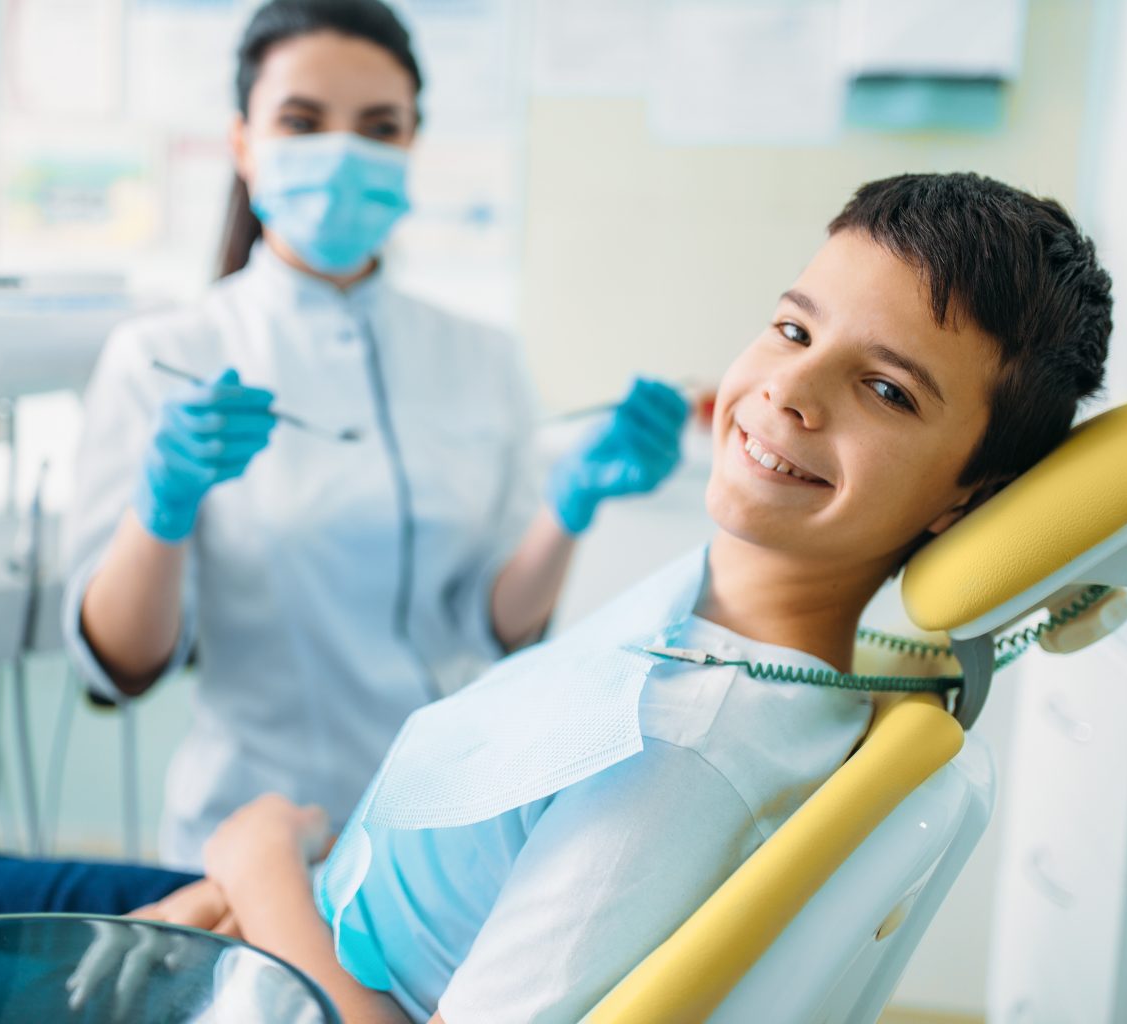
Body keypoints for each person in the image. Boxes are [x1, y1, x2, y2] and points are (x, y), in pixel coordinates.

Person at [0, 172, 1112, 1023]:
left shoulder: (690, 752)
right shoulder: (740, 633)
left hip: (301, 925)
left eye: (882, 388)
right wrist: (255, 879)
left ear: (961, 496)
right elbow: (122, 655)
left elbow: (514, 650)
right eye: (792, 326)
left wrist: (262, 877)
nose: (789, 387)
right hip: (316, 885)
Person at [65, 0, 689, 869]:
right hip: (252, 838)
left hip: (449, 824)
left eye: (378, 126)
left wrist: (567, 510)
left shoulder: (480, 357)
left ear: (410, 148)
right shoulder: (165, 358)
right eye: (302, 121)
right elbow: (121, 666)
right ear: (243, 144)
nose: (342, 151)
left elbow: (497, 625)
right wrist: (161, 510)